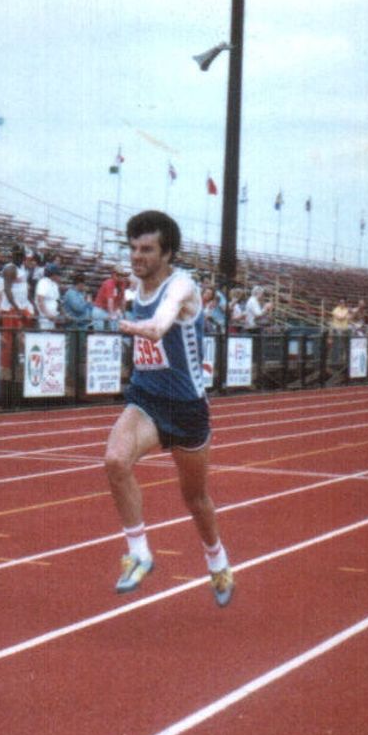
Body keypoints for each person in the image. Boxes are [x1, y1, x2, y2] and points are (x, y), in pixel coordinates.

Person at [105, 208, 233, 604]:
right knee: (114, 460)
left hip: (187, 408)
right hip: (146, 398)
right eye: (133, 248)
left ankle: (217, 559)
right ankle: (139, 553)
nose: (137, 257)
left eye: (147, 249)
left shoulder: (182, 287)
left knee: (195, 498)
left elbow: (160, 325)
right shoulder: (134, 284)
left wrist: (127, 326)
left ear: (168, 253)